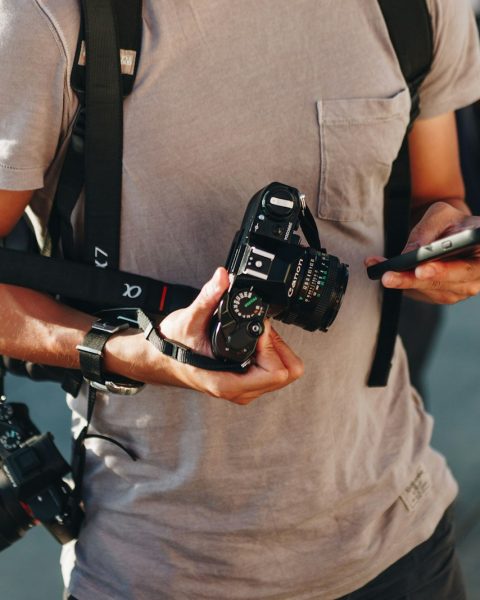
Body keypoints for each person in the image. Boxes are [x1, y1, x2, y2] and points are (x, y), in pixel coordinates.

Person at [1, 1, 480, 599]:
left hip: (400, 535)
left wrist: (446, 247)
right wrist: (139, 354)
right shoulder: (51, 15)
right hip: (157, 566)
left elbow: (439, 197)